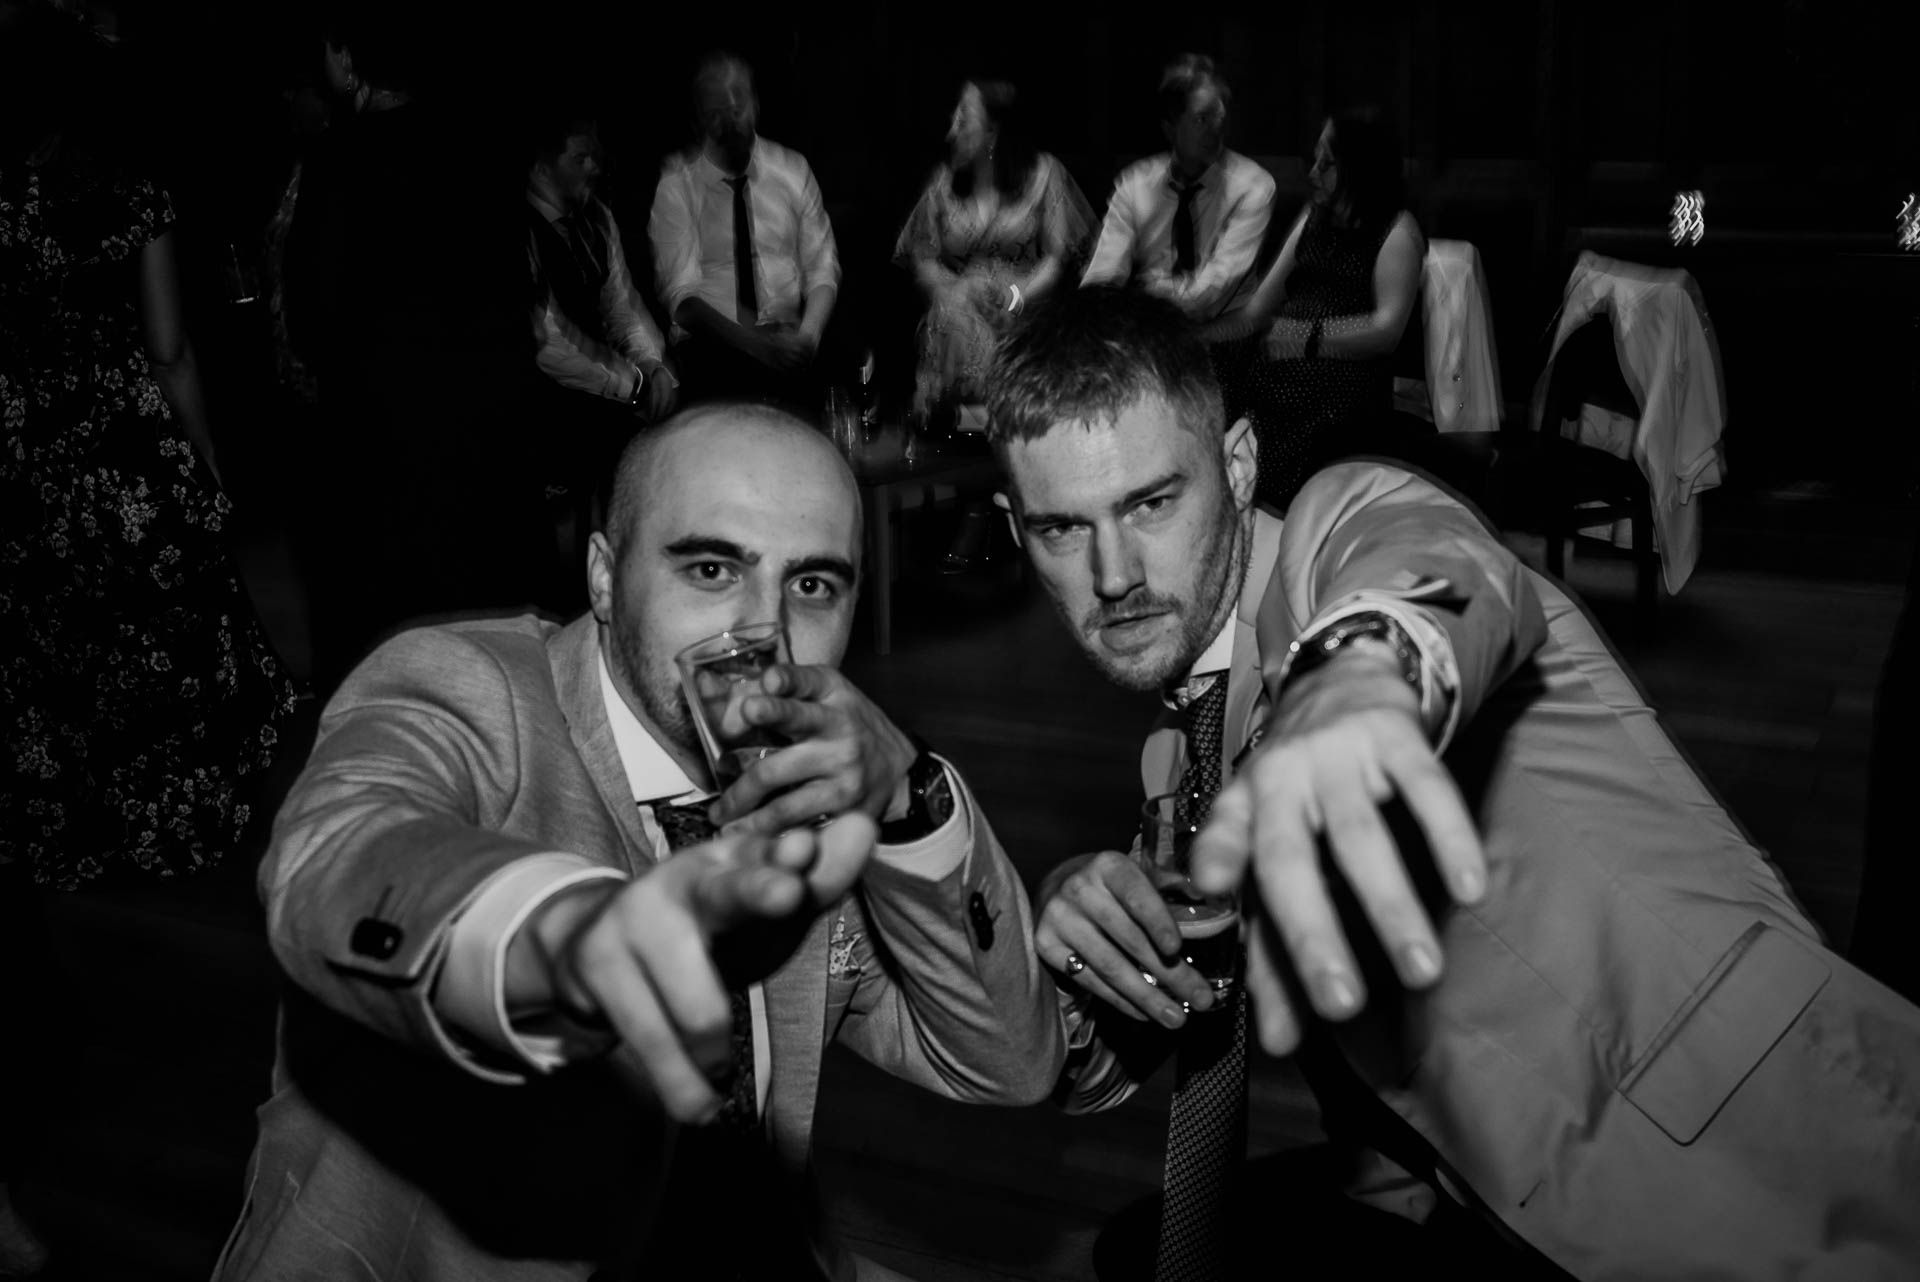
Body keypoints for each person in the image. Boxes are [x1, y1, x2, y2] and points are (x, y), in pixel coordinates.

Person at [991, 286, 1920, 1281]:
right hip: (1492, 1205)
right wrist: (1068, 919)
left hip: (1782, 1171)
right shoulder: (1199, 773)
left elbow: (1435, 575)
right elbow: (1086, 1061)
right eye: (1062, 529)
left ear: (1239, 461)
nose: (1116, 571)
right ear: (1012, 529)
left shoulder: (1339, 527)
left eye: (1151, 501)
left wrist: (1358, 684)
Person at [212, 402, 1063, 1280]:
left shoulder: (818, 790)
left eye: (812, 586)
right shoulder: (469, 690)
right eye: (710, 568)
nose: (760, 641)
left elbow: (1007, 1062)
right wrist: (565, 947)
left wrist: (908, 799)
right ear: (605, 578)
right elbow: (333, 859)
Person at [1, 2, 300, 1269]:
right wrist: (208, 470)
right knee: (176, 649)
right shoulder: (129, 186)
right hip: (122, 451)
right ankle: (185, 831)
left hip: (28, 463)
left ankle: (95, 835)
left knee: (64, 660)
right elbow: (173, 351)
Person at [281, 2, 555, 692]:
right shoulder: (484, 150)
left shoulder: (338, 162)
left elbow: (313, 318)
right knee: (500, 664)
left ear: (348, 58)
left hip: (391, 455)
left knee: (404, 674)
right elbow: (522, 290)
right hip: (490, 442)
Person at [894, 77, 1094, 573]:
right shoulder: (946, 182)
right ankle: (979, 500)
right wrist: (951, 288)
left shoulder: (1042, 175)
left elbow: (1058, 256)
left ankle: (988, 506)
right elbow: (921, 256)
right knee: (958, 322)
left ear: (995, 131)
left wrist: (1013, 295)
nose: (952, 127)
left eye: (964, 117)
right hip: (960, 321)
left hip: (1022, 312)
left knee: (983, 338)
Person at [1203, 109, 1426, 513]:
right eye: (1316, 161)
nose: (1314, 173)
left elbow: (1387, 327)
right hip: (1281, 356)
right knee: (1205, 367)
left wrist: (1307, 339)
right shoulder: (1313, 217)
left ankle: (1274, 505)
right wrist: (1199, 337)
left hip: (1342, 371)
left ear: (1359, 169)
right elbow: (1257, 312)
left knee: (1288, 399)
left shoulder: (1397, 230)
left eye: (1328, 164)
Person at [648, 52, 840, 412]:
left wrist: (808, 338)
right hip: (713, 352)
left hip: (788, 343)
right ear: (699, 119)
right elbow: (683, 300)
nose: (732, 115)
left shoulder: (791, 169)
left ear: (755, 103)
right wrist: (757, 345)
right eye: (718, 109)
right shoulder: (677, 187)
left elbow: (822, 266)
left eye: (739, 102)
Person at [1081, 54, 1274, 331]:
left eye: (1220, 117)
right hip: (1146, 331)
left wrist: (1145, 292)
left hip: (1222, 335)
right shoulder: (1136, 184)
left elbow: (1210, 296)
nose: (1215, 129)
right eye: (1202, 119)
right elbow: (1101, 279)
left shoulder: (1253, 186)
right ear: (1170, 127)